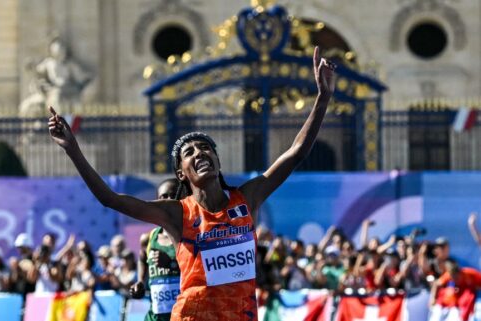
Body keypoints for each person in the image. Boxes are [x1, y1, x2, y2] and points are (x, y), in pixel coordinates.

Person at [48, 46, 336, 321]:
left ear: (217, 160)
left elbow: (296, 152)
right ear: (182, 173)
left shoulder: (246, 199)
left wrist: (322, 99)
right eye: (190, 152)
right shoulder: (177, 213)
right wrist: (73, 150)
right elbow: (110, 199)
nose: (200, 152)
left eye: (205, 148)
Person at [130, 179, 183, 321]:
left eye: (173, 195)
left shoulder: (191, 234)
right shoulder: (149, 238)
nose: (168, 200)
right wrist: (140, 281)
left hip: (184, 315)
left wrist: (171, 263)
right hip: (155, 317)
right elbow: (142, 258)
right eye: (163, 197)